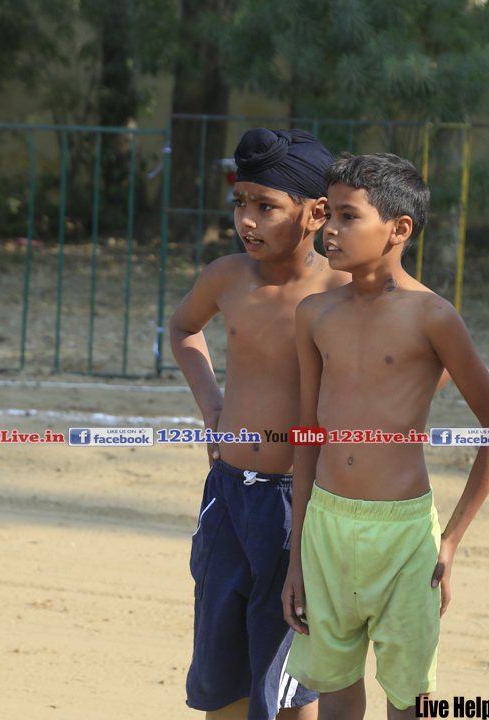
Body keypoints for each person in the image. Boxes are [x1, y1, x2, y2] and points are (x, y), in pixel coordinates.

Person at [282, 153, 489, 719]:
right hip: (325, 526)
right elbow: (308, 434)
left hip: (405, 535)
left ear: (399, 228)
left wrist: (450, 540)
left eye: (348, 216)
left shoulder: (432, 316)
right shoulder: (313, 314)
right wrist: (297, 554)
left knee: (409, 695)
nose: (329, 230)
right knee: (335, 687)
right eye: (328, 214)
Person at [170, 127, 350, 720]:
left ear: (316, 213)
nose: (246, 220)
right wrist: (212, 407)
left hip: (299, 504)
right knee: (220, 671)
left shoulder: (344, 291)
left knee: (289, 674)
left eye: (265, 206)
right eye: (240, 203)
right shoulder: (226, 277)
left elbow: (429, 363)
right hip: (227, 497)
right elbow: (183, 327)